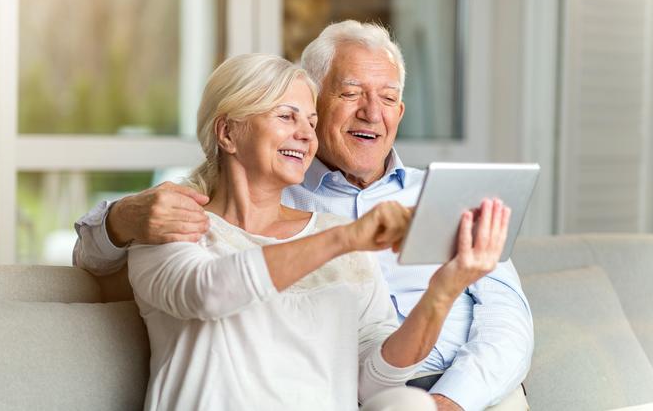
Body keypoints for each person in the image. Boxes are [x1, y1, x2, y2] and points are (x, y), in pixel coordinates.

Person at [74, 21, 533, 411]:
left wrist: (444, 290)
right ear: (228, 132)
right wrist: (119, 217)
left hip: (448, 392)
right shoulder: (177, 222)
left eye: (307, 122)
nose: (371, 113)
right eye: (349, 93)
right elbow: (205, 291)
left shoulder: (401, 212)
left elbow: (376, 374)